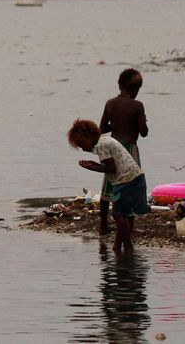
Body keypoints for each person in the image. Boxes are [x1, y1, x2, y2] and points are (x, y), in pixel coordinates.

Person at [68, 119, 148, 253]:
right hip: (134, 178)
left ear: (87, 137)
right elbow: (110, 166)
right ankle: (117, 246)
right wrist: (95, 165)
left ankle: (128, 247)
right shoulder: (105, 141)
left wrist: (93, 167)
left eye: (82, 145)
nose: (83, 149)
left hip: (126, 180)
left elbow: (110, 168)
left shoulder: (100, 145)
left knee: (118, 215)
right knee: (122, 214)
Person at [98, 68, 148, 235]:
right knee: (131, 185)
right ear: (135, 89)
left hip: (112, 147)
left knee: (108, 186)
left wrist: (117, 124)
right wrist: (140, 120)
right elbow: (144, 132)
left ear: (119, 85)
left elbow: (102, 128)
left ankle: (103, 225)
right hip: (129, 149)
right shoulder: (137, 106)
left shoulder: (110, 103)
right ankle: (130, 227)